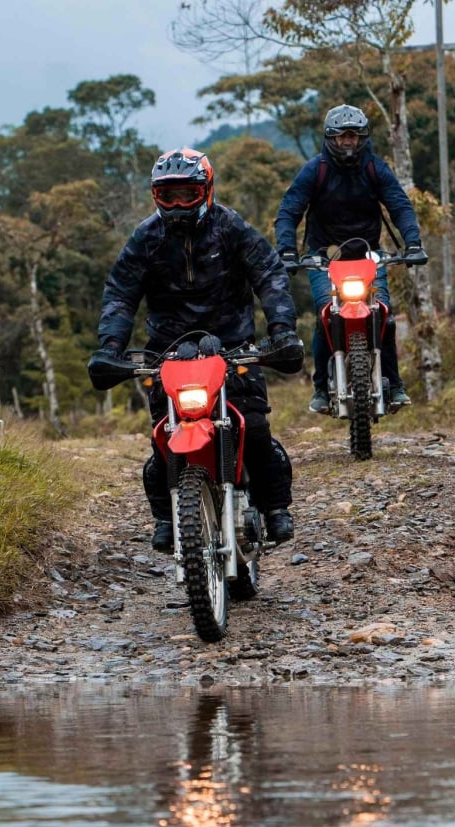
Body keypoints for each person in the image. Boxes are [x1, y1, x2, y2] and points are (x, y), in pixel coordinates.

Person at [88, 147, 304, 553]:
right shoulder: (146, 238)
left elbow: (270, 274)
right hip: (167, 352)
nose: (177, 205)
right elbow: (120, 292)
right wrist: (111, 347)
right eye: (167, 196)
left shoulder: (231, 228)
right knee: (162, 437)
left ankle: (275, 507)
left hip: (234, 345)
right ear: (155, 196)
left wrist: (281, 332)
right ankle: (168, 515)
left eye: (187, 194)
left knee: (254, 428)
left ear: (206, 191)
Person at [273, 104, 428, 413]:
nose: (348, 143)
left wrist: (413, 243)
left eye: (354, 137)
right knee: (325, 315)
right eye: (342, 137)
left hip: (368, 255)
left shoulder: (375, 169)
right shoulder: (314, 170)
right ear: (330, 138)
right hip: (323, 257)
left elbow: (400, 206)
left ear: (363, 139)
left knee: (384, 313)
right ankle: (320, 387)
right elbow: (288, 211)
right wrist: (287, 251)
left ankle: (394, 384)